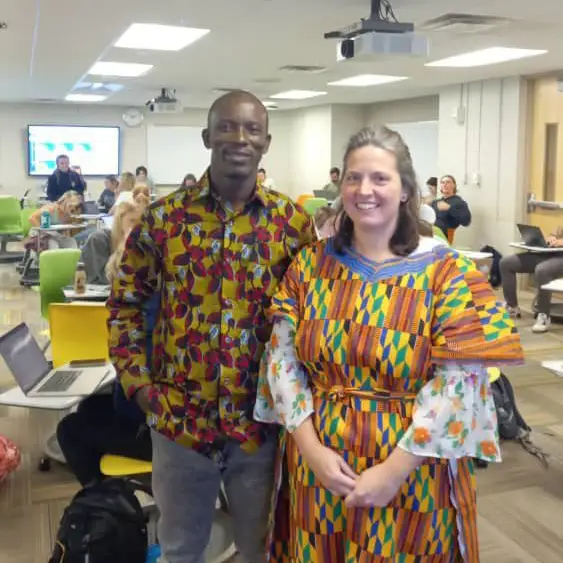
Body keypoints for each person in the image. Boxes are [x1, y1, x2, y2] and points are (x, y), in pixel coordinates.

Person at [254, 126, 524, 562]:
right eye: (353, 178)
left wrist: (394, 470)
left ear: (405, 189)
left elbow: (458, 386)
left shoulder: (446, 273)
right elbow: (281, 362)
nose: (365, 190)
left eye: (380, 178)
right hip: (321, 466)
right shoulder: (309, 266)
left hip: (413, 467)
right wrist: (310, 448)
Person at [107, 90, 316, 563]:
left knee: (261, 551)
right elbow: (124, 306)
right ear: (207, 136)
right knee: (181, 550)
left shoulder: (292, 224)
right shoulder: (165, 220)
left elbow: (311, 318)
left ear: (266, 142)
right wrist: (141, 389)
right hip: (181, 424)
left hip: (259, 427)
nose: (239, 138)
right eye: (226, 127)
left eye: (251, 130)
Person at [57, 203, 155, 486]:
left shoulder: (137, 322)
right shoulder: (158, 307)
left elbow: (133, 392)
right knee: (89, 407)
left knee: (69, 429)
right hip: (159, 421)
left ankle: (104, 502)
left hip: (156, 432)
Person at [500, 229, 563, 333]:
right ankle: (512, 306)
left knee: (542, 270)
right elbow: (556, 233)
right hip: (549, 253)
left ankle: (544, 315)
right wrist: (551, 238)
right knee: (506, 263)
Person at [80, 201, 144, 285]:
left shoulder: (140, 242)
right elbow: (105, 278)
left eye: (139, 223)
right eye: (132, 221)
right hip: (97, 294)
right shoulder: (99, 239)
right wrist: (123, 248)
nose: (136, 226)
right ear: (119, 220)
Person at [431, 174, 471, 243]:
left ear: (454, 185)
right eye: (443, 182)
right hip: (431, 236)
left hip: (445, 239)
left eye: (448, 182)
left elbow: (466, 221)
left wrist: (449, 208)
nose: (445, 184)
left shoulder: (459, 202)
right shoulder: (435, 202)